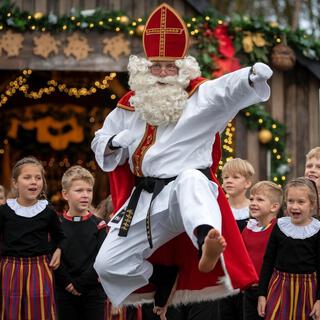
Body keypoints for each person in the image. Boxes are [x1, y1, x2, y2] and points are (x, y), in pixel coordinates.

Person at [92, 3, 271, 318]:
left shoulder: (200, 99)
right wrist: (116, 142)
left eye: (170, 67)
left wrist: (250, 77)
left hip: (185, 195)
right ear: (144, 70)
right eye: (156, 66)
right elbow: (100, 141)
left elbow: (225, 91)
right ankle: (158, 277)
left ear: (183, 69)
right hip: (146, 201)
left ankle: (206, 241)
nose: (162, 73)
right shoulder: (128, 107)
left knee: (192, 179)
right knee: (106, 265)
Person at [0, 156, 64, 320]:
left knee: (39, 310)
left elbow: (60, 237)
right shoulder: (4, 211)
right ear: (15, 183)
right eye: (27, 177)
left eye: (38, 178)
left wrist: (59, 250)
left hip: (39, 268)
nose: (33, 182)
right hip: (11, 268)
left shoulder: (48, 211)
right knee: (10, 309)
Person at [258, 177, 320, 320]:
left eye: (301, 202)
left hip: (308, 289)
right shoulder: (279, 226)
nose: (294, 206)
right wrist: (262, 294)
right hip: (280, 286)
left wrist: (319, 300)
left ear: (311, 204)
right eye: (291, 201)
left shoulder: (317, 230)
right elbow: (268, 261)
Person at [54, 165, 107, 320]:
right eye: (79, 190)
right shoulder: (56, 225)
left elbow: (101, 258)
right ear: (65, 194)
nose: (85, 195)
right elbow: (54, 258)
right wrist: (67, 283)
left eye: (89, 190)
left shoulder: (99, 224)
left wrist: (80, 284)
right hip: (63, 291)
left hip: (93, 292)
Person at [217, 158, 255, 320]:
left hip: (248, 275)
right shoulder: (218, 208)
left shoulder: (255, 210)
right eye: (225, 177)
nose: (229, 181)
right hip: (224, 275)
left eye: (235, 177)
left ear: (247, 183)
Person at [242, 181, 282, 320]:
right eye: (252, 198)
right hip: (249, 290)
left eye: (260, 199)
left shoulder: (278, 229)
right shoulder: (248, 228)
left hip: (270, 290)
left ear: (274, 206)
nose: (253, 202)